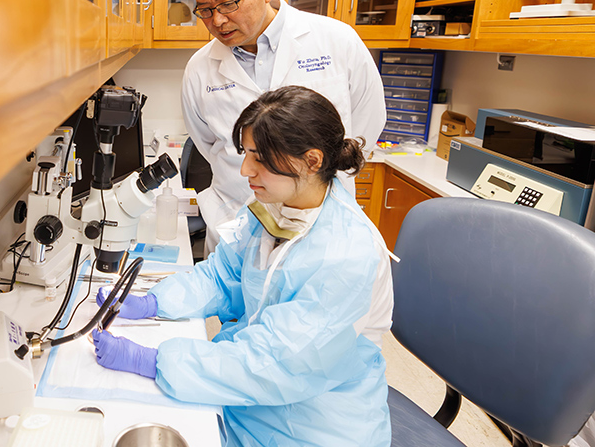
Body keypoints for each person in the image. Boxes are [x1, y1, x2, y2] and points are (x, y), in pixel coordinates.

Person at [91, 86, 393, 447]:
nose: (246, 169)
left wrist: (155, 361)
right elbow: (226, 276)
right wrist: (154, 301)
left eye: (260, 158)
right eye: (247, 153)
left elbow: (275, 364)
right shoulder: (280, 204)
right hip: (245, 400)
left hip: (311, 426)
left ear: (312, 161)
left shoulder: (345, 254)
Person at [180, 0, 386, 253]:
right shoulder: (199, 70)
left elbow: (366, 126)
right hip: (236, 231)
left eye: (228, 3)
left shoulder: (337, 41)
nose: (217, 21)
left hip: (320, 231)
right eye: (204, 9)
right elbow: (209, 147)